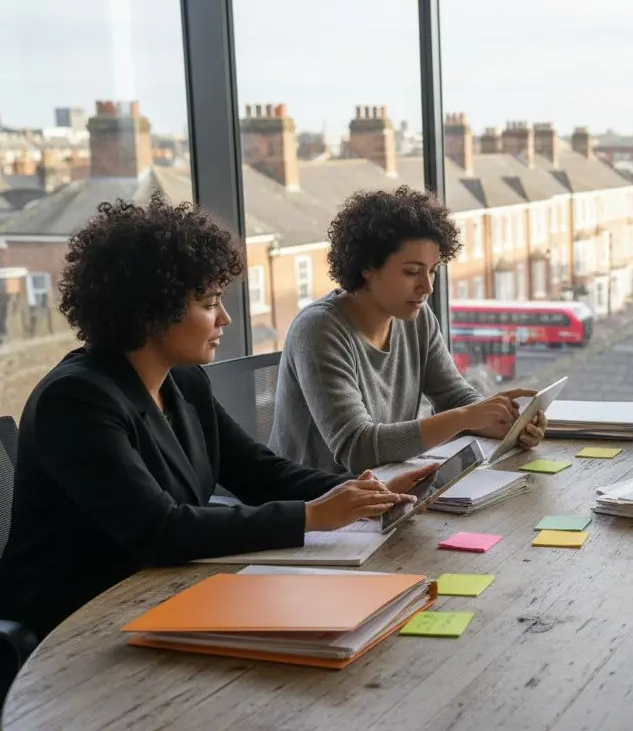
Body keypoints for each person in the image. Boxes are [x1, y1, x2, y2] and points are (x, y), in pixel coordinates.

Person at [0, 195, 429, 640]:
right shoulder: (75, 400)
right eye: (208, 303)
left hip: (162, 592)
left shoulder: (183, 381)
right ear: (151, 311)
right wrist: (311, 516)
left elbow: (257, 471)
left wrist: (364, 492)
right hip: (76, 621)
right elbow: (159, 530)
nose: (224, 318)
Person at [270, 187, 543, 475]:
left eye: (433, 270)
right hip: (319, 496)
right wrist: (467, 417)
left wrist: (504, 422)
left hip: (388, 485)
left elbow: (455, 398)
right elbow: (357, 448)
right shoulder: (319, 330)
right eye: (412, 272)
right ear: (367, 268)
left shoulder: (416, 317)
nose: (428, 287)